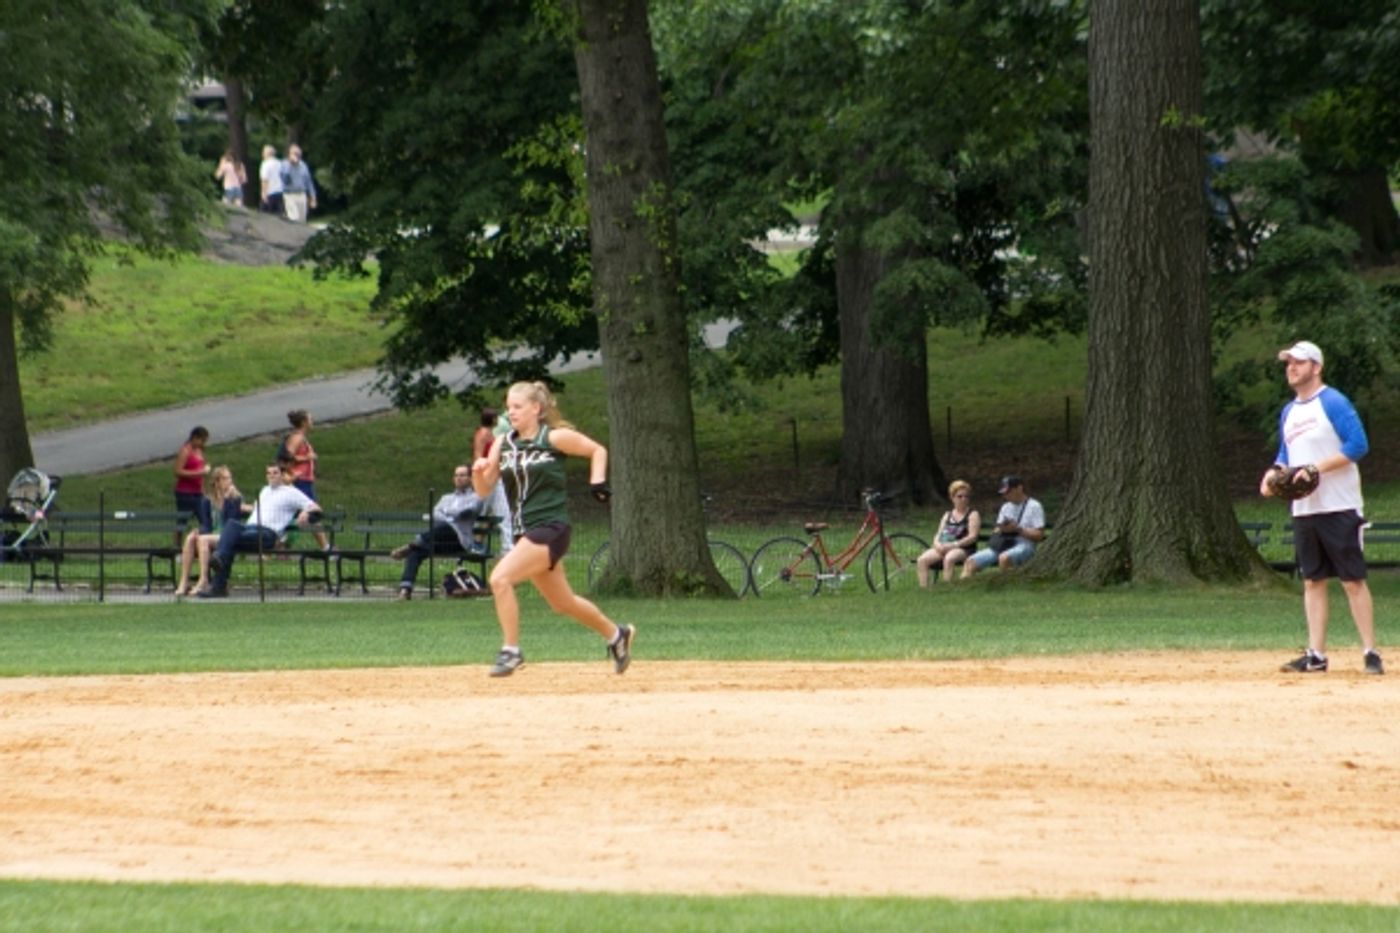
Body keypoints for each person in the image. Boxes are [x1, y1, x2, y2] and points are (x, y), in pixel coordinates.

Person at [471, 381, 633, 677]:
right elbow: (483, 490)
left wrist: (597, 482)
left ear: (536, 408)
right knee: (562, 602)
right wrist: (478, 471)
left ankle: (511, 651)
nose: (511, 412)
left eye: (518, 406)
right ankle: (616, 635)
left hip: (550, 527)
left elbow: (597, 450)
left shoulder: (553, 437)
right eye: (508, 407)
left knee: (500, 579)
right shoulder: (503, 443)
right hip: (524, 532)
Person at [1262, 341, 1383, 675]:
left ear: (1316, 367)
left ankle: (1371, 652)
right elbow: (1285, 454)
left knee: (1352, 580)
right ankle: (1316, 655)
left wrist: (1316, 468)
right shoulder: (1289, 411)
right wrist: (1272, 474)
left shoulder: (1333, 402)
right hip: (1305, 509)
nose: (1292, 367)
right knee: (1313, 581)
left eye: (1299, 362)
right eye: (1288, 363)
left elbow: (1358, 445)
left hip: (1339, 504)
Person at [200, 463, 322, 598]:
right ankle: (218, 586)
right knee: (231, 528)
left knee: (228, 539)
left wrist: (306, 513)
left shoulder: (291, 492)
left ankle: (219, 565)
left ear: (282, 475)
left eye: (275, 473)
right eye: (268, 473)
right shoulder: (264, 490)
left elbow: (317, 509)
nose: (271, 476)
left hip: (268, 534)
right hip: (250, 529)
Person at [389, 465, 483, 601]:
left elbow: (466, 512)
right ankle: (405, 590)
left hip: (459, 541)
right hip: (440, 540)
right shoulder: (446, 498)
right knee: (415, 552)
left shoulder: (476, 497)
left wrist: (447, 514)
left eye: (462, 475)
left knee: (446, 527)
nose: (459, 478)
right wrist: (450, 518)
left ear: (470, 478)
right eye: (456, 475)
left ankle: (412, 544)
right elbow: (435, 514)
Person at [174, 466, 246, 597]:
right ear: (217, 482)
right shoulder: (207, 500)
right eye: (225, 478)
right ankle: (183, 582)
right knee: (191, 538)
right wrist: (200, 531)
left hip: (227, 536)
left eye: (230, 478)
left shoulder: (235, 498)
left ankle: (203, 580)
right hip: (212, 536)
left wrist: (227, 499)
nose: (230, 481)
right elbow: (206, 524)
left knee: (202, 539)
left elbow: (231, 523)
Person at [962, 475, 1045, 578]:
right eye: (1004, 493)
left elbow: (1039, 535)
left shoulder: (1034, 506)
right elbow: (997, 529)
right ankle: (962, 586)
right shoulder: (1005, 507)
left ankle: (1006, 585)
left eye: (1008, 492)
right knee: (970, 561)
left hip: (1025, 545)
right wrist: (1003, 529)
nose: (1006, 495)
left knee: (1004, 558)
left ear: (1019, 488)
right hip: (1004, 544)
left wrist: (1019, 530)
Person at [916, 479, 981, 587]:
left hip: (964, 548)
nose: (963, 499)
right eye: (959, 496)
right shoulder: (947, 515)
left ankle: (948, 587)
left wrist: (954, 545)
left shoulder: (973, 514)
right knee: (922, 560)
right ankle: (924, 589)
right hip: (944, 545)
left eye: (966, 496)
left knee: (949, 558)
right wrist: (937, 544)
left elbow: (973, 537)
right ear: (952, 498)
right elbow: (939, 533)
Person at [282, 409, 330, 551]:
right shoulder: (297, 437)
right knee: (313, 513)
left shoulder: (301, 437)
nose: (312, 421)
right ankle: (326, 548)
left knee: (307, 514)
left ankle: (281, 543)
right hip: (300, 481)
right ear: (303, 422)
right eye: (310, 419)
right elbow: (287, 456)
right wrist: (307, 458)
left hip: (305, 481)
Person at [472, 407, 512, 552]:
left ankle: (508, 547)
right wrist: (481, 474)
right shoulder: (483, 433)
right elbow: (478, 455)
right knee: (481, 511)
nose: (498, 420)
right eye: (496, 418)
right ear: (492, 419)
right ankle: (473, 543)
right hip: (486, 478)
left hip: (496, 477)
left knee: (503, 512)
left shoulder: (491, 433)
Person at [172, 426, 214, 542]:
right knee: (182, 521)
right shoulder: (185, 451)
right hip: (185, 493)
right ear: (195, 438)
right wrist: (199, 472)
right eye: (202, 440)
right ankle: (177, 545)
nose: (203, 443)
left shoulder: (199, 451)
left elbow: (200, 468)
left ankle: (205, 543)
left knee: (204, 519)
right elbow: (177, 471)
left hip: (198, 492)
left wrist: (203, 487)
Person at [279, 145, 317, 223]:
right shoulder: (284, 164)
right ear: (289, 154)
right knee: (294, 217)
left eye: (298, 154)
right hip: (289, 195)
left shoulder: (303, 165)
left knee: (302, 220)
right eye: (294, 153)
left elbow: (309, 182)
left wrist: (313, 198)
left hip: (301, 194)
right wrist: (290, 165)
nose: (296, 156)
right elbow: (285, 180)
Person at [258, 145, 284, 215]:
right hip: (280, 192)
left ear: (268, 154)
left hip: (270, 192)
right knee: (279, 215)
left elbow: (265, 179)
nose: (262, 154)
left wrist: (264, 193)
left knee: (264, 215)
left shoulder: (265, 164)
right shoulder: (279, 163)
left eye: (263, 152)